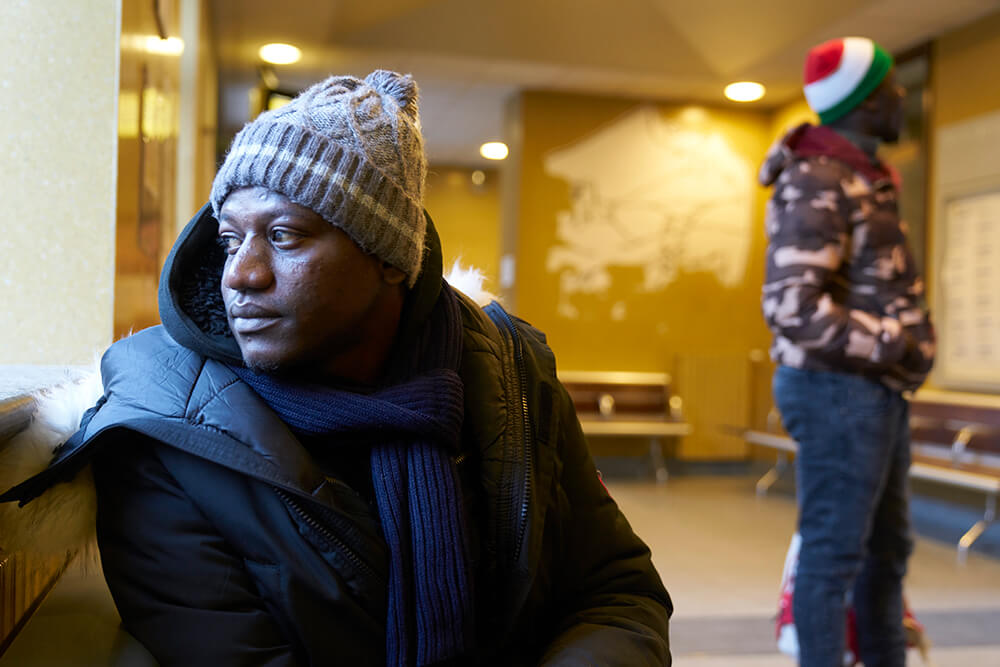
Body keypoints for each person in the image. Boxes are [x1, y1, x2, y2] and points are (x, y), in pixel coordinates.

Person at [1, 70, 671, 666]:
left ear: (386, 255)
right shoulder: (164, 433)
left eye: (284, 235)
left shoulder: (509, 371)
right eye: (231, 238)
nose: (242, 273)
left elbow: (616, 590)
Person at [759, 38, 935, 666]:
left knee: (886, 557)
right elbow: (790, 306)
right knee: (833, 558)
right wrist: (894, 343)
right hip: (838, 389)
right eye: (890, 86)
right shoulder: (818, 178)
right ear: (862, 101)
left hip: (874, 389)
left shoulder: (864, 175)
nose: (902, 96)